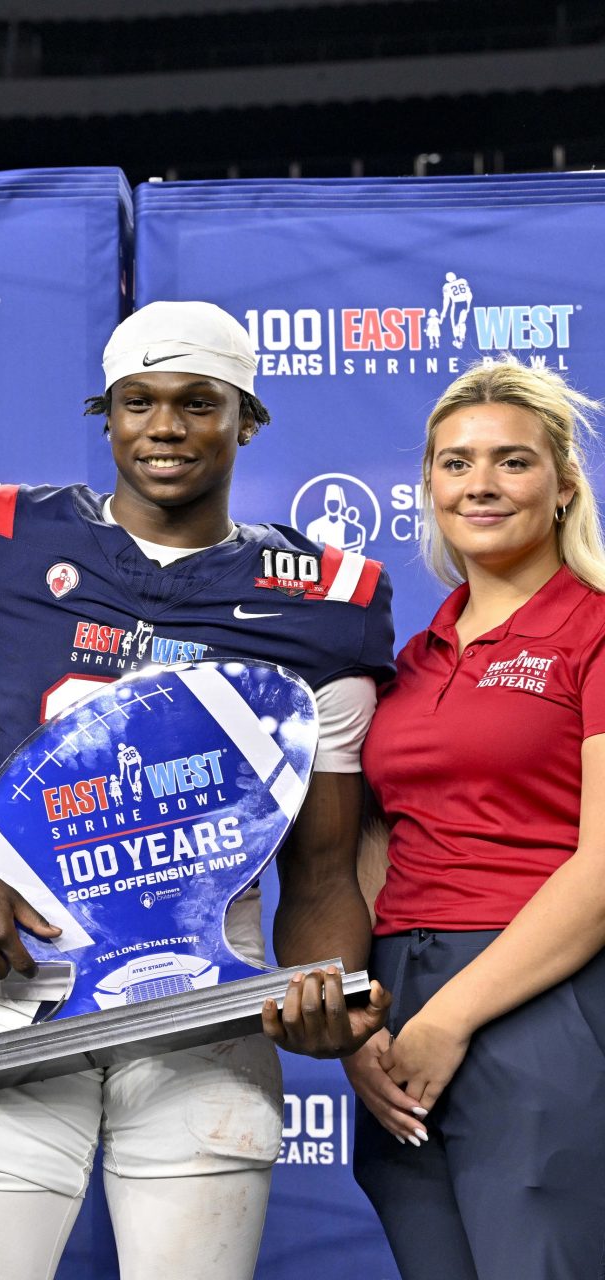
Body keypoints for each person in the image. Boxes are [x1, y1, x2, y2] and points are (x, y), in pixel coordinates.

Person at [0, 301, 396, 1280]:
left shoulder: (322, 602)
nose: (164, 426)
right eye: (138, 401)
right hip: (15, 990)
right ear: (108, 414)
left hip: (206, 1011)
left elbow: (326, 869)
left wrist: (327, 989)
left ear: (246, 418)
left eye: (198, 402)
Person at [344, 361, 605, 1278]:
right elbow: (377, 839)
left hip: (540, 996)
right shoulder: (412, 659)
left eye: (512, 462)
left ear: (565, 486)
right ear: (429, 487)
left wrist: (448, 1018)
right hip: (398, 1000)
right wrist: (361, 1021)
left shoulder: (597, 631)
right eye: (455, 464)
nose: (481, 485)